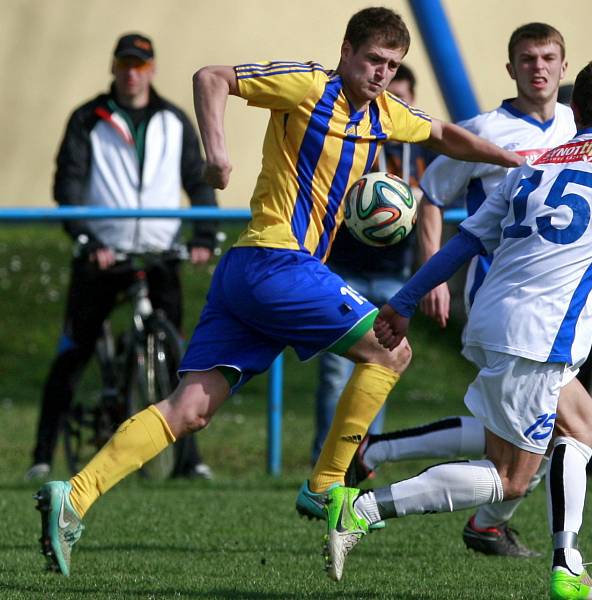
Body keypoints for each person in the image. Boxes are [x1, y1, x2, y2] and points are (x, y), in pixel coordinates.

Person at [34, 7, 523, 577]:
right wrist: (216, 151)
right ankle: (324, 484)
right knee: (393, 348)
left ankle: (74, 496)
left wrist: (512, 160)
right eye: (373, 60)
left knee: (190, 409)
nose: (382, 73)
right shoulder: (310, 85)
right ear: (347, 52)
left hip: (249, 273)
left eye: (392, 65)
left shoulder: (386, 114)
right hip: (274, 259)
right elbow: (210, 78)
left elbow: (441, 134)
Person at [323, 58, 592, 600]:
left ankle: (566, 559)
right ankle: (364, 509)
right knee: (510, 477)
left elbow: (465, 242)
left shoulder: (532, 166)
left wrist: (405, 300)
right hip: (540, 333)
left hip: (493, 315)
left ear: (574, 110)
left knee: (581, 422)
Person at [347, 22, 577, 559]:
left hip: (558, 302)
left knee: (524, 426)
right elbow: (430, 193)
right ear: (510, 68)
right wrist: (435, 275)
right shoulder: (486, 129)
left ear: (564, 67)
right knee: (557, 426)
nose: (538, 67)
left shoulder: (576, 127)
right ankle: (489, 524)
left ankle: (386, 453)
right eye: (527, 58)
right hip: (503, 300)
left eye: (548, 58)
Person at [25, 33, 217, 484]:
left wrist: (205, 233)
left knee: (181, 359)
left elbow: (199, 179)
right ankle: (41, 454)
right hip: (104, 256)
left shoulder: (174, 119)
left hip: (160, 254)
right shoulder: (87, 118)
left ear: (152, 69)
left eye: (141, 65)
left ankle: (189, 459)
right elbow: (67, 186)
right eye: (125, 65)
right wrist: (89, 241)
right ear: (114, 68)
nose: (132, 74)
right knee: (74, 352)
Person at [310, 64, 433, 463]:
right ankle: (324, 458)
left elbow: (436, 198)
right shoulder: (353, 139)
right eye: (388, 97)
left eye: (402, 97)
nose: (394, 104)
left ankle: (364, 458)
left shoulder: (421, 152)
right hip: (342, 271)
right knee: (334, 373)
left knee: (382, 367)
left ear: (413, 101)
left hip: (395, 276)